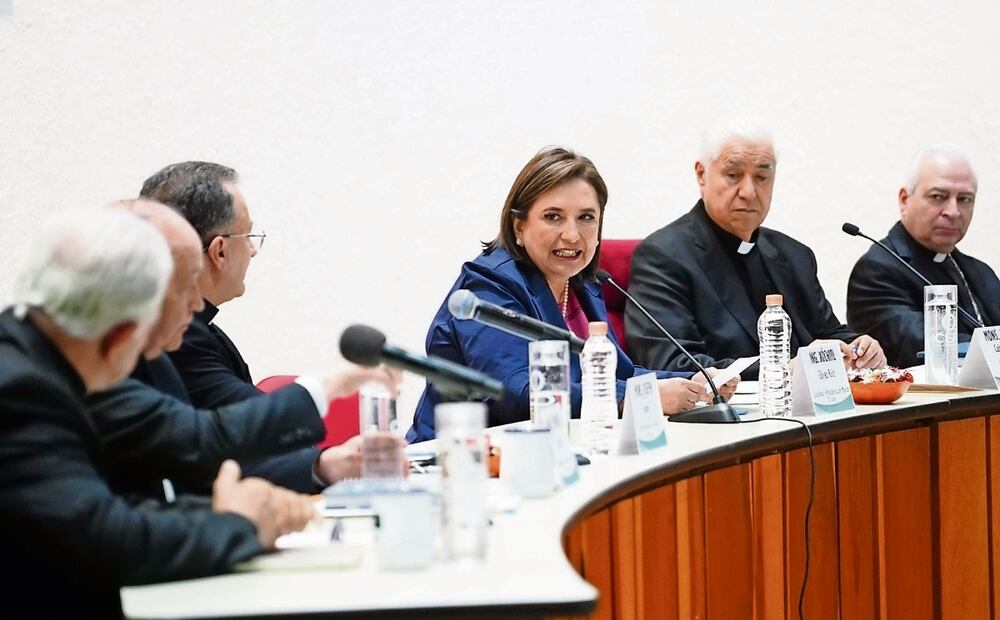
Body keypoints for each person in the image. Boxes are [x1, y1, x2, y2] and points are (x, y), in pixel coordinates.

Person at [0, 207, 314, 620]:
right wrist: (239, 524)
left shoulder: (30, 359)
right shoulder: (21, 393)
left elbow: (102, 509)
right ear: (121, 337)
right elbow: (110, 541)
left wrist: (225, 512)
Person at [408, 147, 736, 442]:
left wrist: (695, 380)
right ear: (519, 226)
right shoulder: (488, 287)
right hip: (457, 462)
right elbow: (520, 396)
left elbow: (618, 376)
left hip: (555, 452)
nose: (572, 235)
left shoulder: (582, 284)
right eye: (553, 217)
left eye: (586, 218)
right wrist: (641, 397)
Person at [87, 199, 403, 497]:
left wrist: (323, 466)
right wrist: (333, 386)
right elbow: (214, 440)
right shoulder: (79, 386)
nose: (196, 303)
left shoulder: (151, 359)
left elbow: (196, 457)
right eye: (183, 287)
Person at [626, 114, 885, 378]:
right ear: (702, 175)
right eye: (733, 175)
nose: (749, 192)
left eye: (761, 177)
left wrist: (859, 348)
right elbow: (672, 363)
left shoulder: (794, 254)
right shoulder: (663, 257)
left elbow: (827, 333)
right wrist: (781, 371)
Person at [847, 144, 1000, 367]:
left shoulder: (980, 272)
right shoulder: (876, 270)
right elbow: (922, 345)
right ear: (904, 199)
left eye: (965, 199)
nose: (953, 212)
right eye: (938, 196)